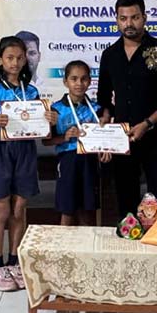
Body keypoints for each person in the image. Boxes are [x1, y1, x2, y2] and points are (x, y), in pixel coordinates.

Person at [97, 0, 157, 217]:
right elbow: (104, 97)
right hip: (122, 138)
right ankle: (129, 249)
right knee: (125, 201)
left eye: (134, 17)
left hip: (156, 137)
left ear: (144, 17)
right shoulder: (109, 55)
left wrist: (147, 123)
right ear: (116, 20)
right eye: (123, 18)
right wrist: (104, 122)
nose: (129, 23)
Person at [0, 36, 58, 292]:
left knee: (19, 208)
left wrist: (49, 119)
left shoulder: (32, 91)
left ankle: (14, 261)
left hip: (25, 151)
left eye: (20, 58)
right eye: (10, 58)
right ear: (0, 60)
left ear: (25, 60)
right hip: (1, 152)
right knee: (2, 209)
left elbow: (41, 128)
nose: (15, 62)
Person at [44, 60, 110, 226]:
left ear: (89, 81)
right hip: (68, 161)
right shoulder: (56, 109)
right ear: (66, 82)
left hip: (90, 162)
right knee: (68, 210)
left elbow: (106, 138)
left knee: (88, 211)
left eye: (84, 79)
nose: (79, 83)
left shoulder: (97, 109)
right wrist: (65, 136)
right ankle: (63, 250)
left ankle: (88, 250)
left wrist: (106, 148)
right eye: (74, 79)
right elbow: (47, 141)